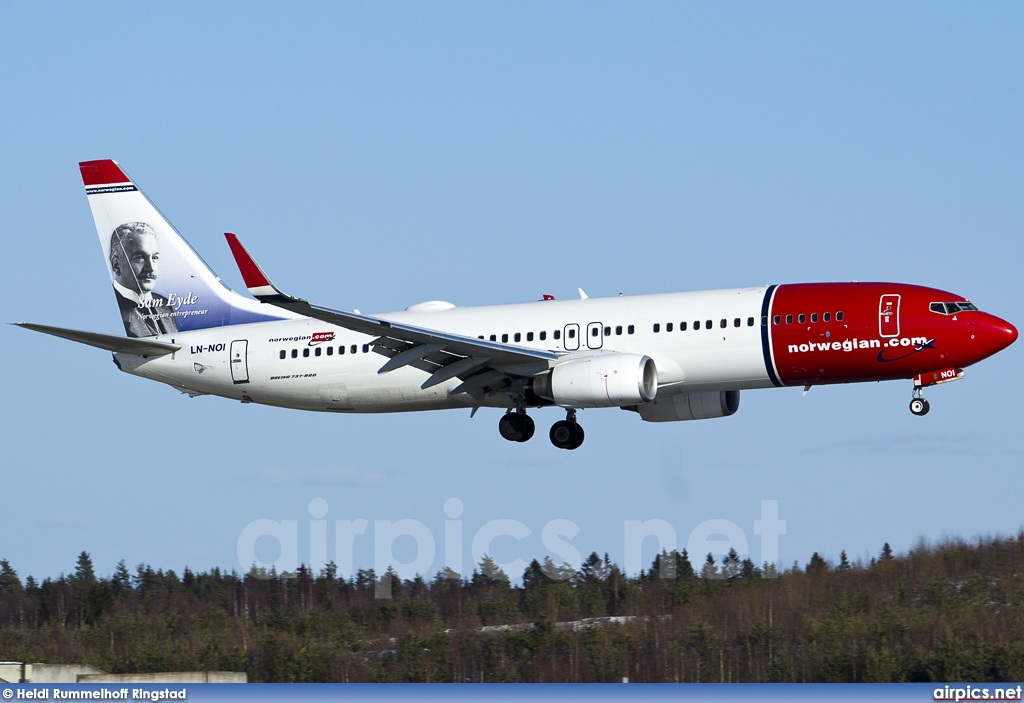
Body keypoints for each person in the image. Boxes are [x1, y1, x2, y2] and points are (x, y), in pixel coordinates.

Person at [109, 222, 179, 337]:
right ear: (116, 265)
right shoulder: (113, 309)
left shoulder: (165, 305)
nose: (151, 268)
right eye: (140, 258)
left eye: (155, 258)